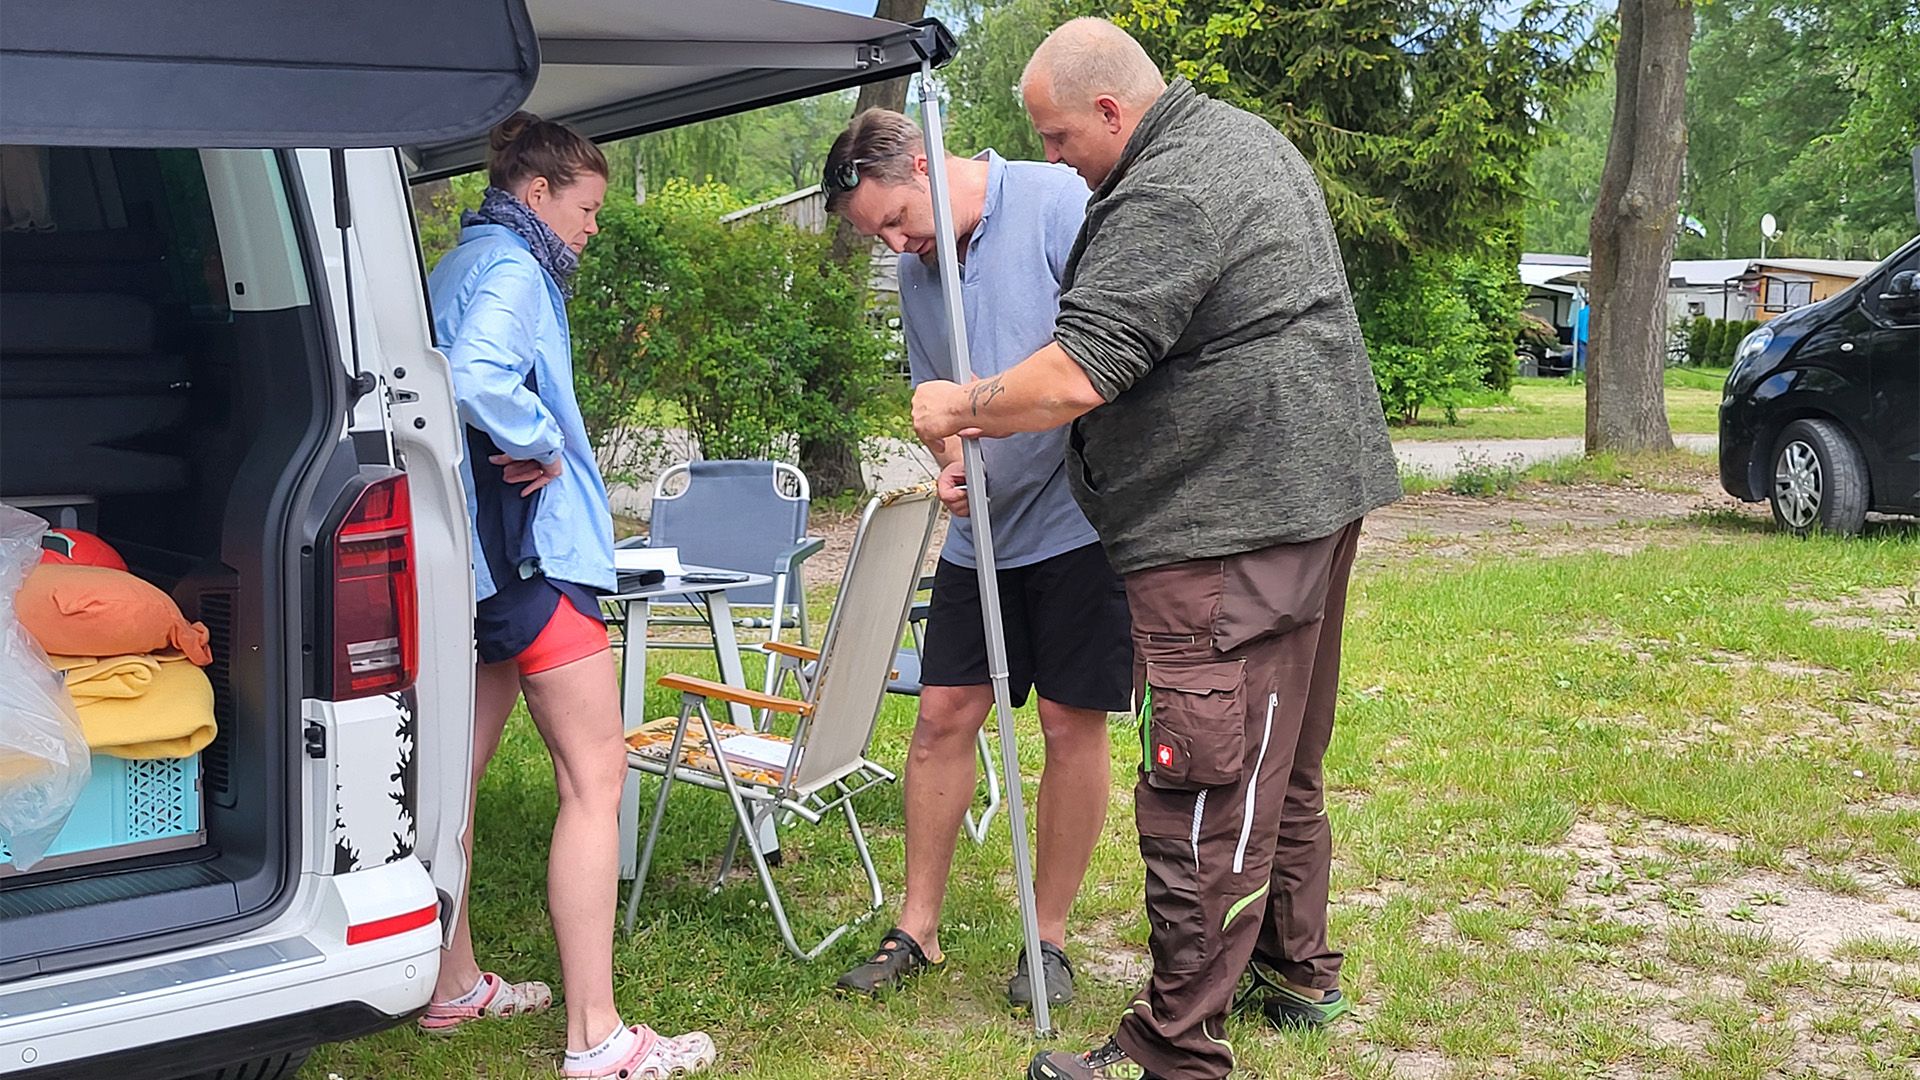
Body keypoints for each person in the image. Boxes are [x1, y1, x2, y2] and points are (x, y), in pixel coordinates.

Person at [909, 19, 1402, 1080]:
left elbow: (1081, 370)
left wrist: (961, 406)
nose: (1050, 158)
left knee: (1204, 777)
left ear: (1109, 112)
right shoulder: (1234, 139)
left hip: (1229, 521)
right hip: (1309, 495)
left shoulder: (1169, 191)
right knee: (1282, 756)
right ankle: (1292, 964)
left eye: (1054, 136)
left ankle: (1172, 1047)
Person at [424, 111, 717, 1080]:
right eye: (588, 208)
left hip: (472, 566)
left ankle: (452, 985)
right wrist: (540, 440)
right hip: (533, 562)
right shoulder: (517, 269)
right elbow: (474, 380)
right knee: (596, 780)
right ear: (538, 194)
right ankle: (597, 1037)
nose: (594, 227)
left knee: (451, 784)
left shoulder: (459, 264)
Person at [819, 108, 1133, 1009]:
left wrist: (982, 424)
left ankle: (1049, 939)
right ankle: (917, 927)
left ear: (923, 159)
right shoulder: (924, 272)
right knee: (943, 718)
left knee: (1073, 726)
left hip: (1079, 522)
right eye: (874, 233)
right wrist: (951, 469)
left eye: (892, 218)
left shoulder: (1056, 203)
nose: (891, 244)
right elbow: (938, 402)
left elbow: (1104, 358)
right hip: (982, 535)